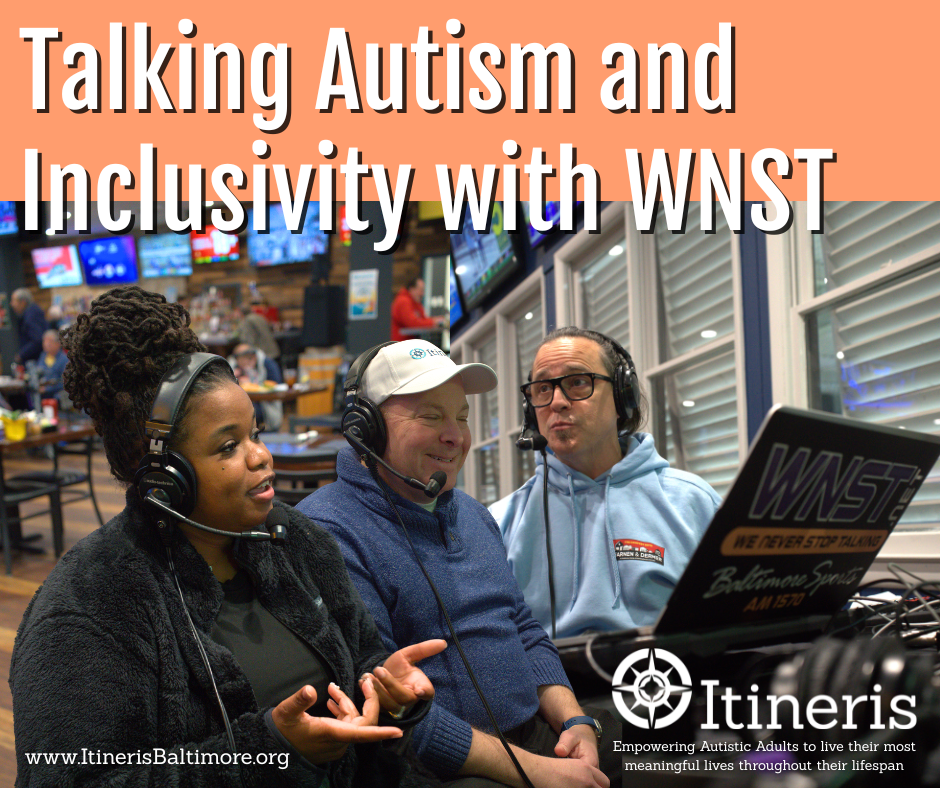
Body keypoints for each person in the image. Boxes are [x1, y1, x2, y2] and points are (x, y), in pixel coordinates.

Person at [11, 286, 447, 788]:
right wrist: (267, 753)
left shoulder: (295, 537)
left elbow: (361, 655)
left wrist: (383, 686)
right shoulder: (87, 605)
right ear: (163, 476)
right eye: (228, 445)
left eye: (255, 433)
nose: (260, 456)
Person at [297, 340, 616, 788]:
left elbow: (522, 629)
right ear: (364, 428)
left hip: (532, 738)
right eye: (431, 416)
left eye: (462, 417)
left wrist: (574, 722)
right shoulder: (325, 531)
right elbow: (388, 704)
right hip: (440, 767)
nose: (456, 436)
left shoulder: (471, 512)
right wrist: (535, 772)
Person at [489, 327, 722, 639]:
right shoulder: (500, 522)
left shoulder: (692, 502)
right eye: (543, 388)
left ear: (622, 396)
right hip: (551, 683)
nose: (557, 402)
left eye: (578, 382)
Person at [230, 342, 284, 431]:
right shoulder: (233, 367)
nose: (245, 361)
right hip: (241, 403)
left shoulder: (267, 364)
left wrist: (255, 383)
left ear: (254, 356)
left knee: (252, 411)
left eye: (249, 357)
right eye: (241, 359)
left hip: (265, 405)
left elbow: (275, 385)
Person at [391, 277, 447, 341]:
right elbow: (412, 323)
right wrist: (433, 321)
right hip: (400, 343)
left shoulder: (416, 302)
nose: (422, 294)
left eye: (423, 290)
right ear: (412, 289)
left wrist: (435, 320)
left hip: (410, 342)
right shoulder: (403, 301)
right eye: (420, 290)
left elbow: (423, 319)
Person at [10, 287, 48, 364]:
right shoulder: (30, 313)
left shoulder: (32, 316)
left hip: (36, 360)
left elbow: (37, 340)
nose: (11, 304)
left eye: (14, 301)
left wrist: (21, 355)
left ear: (23, 302)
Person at [30, 328, 68, 399]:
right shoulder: (43, 356)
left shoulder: (64, 359)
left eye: (50, 341)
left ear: (58, 343)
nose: (46, 344)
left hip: (57, 394)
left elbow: (64, 382)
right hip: (42, 393)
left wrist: (46, 389)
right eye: (45, 341)